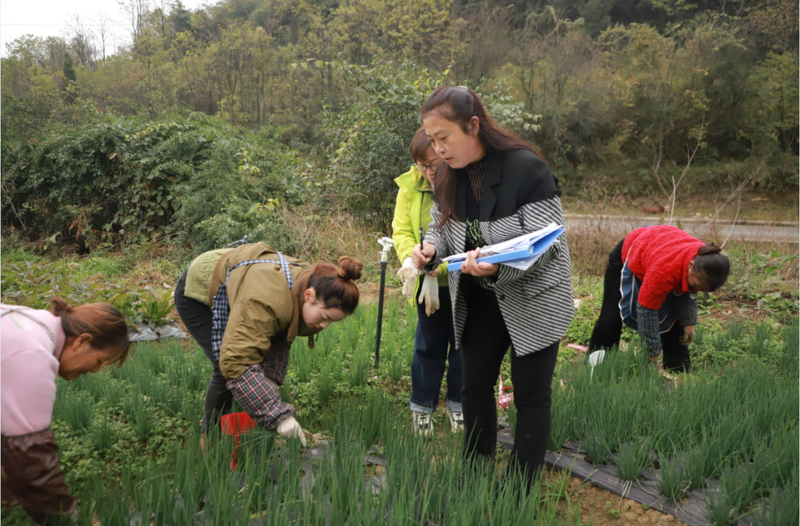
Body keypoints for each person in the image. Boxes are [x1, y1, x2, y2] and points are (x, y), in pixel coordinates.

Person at [410, 86, 575, 491]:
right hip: (480, 302)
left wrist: (496, 268)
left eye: (444, 138)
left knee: (530, 395)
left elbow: (547, 245)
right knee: (474, 385)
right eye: (432, 141)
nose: (438, 150)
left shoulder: (526, 169)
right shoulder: (448, 175)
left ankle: (519, 487)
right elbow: (442, 225)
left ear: (473, 126)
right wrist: (431, 250)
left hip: (533, 300)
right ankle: (475, 469)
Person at [174, 241, 362, 447]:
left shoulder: (310, 283)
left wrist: (269, 378)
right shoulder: (265, 300)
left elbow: (281, 331)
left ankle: (244, 420)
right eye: (324, 316)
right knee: (224, 365)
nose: (324, 325)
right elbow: (237, 361)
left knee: (253, 372)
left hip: (243, 279)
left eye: (331, 321)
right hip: (200, 285)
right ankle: (210, 435)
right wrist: (278, 416)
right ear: (309, 296)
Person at [1, 298, 130, 524]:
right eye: (100, 360)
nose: (95, 370)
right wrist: (66, 519)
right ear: (82, 341)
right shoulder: (33, 355)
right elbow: (31, 456)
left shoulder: (32, 321)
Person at [393, 127, 463, 435]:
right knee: (428, 346)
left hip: (463, 282)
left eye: (434, 165)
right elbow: (401, 231)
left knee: (464, 347)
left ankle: (459, 405)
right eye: (422, 165)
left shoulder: (464, 182)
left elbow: (466, 235)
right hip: (427, 286)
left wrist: (443, 266)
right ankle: (422, 407)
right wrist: (413, 259)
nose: (428, 172)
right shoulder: (410, 186)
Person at [588, 225, 730, 372]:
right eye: (696, 285)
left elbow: (689, 292)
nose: (698, 290)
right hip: (632, 252)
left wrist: (689, 323)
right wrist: (652, 351)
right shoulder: (665, 270)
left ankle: (677, 369)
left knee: (674, 317)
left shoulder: (706, 260)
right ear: (691, 265)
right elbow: (646, 309)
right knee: (611, 315)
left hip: (658, 250)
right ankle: (597, 366)